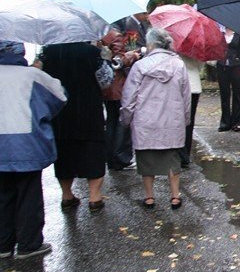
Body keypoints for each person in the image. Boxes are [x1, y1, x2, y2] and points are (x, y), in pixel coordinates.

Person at [0, 41, 66, 259]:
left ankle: (3, 244)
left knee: (3, 194)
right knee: (29, 194)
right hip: (27, 145)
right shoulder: (32, 76)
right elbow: (60, 97)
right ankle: (29, 243)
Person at [121, 28, 191, 209]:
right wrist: (185, 120)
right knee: (172, 160)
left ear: (150, 44)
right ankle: (175, 196)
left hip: (146, 122)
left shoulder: (140, 66)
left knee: (146, 159)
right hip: (172, 121)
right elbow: (186, 96)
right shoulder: (179, 65)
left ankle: (150, 197)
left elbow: (129, 98)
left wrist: (126, 119)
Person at [41, 41, 111, 212]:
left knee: (64, 152)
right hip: (89, 109)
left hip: (61, 110)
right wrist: (106, 59)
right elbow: (105, 81)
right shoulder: (92, 52)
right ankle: (94, 198)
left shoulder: (49, 51)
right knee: (93, 150)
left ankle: (67, 195)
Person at [100, 27, 142, 170]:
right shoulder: (115, 36)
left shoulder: (100, 35)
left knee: (111, 120)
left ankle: (110, 156)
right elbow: (118, 61)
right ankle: (121, 157)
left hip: (107, 87)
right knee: (122, 121)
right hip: (118, 86)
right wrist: (132, 56)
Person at [217, 28, 240, 132]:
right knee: (224, 94)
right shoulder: (220, 33)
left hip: (237, 66)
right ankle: (225, 123)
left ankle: (237, 122)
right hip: (222, 66)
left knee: (237, 94)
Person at [178, 54, 203, 168]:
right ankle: (186, 154)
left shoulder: (177, 52)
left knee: (179, 119)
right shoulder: (198, 50)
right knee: (190, 121)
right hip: (194, 85)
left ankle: (180, 152)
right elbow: (200, 66)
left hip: (181, 86)